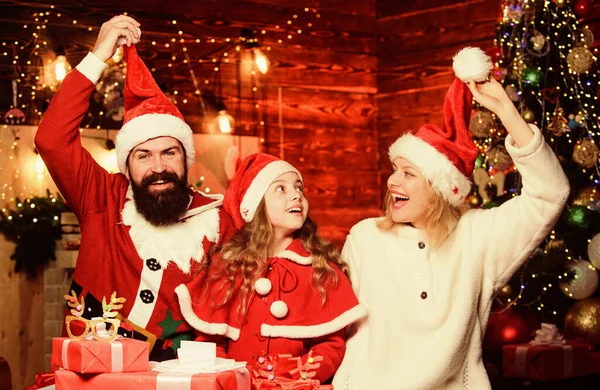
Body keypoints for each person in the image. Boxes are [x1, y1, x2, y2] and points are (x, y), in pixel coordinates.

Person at [332, 47, 570, 389]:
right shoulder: (365, 238)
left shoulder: (478, 238)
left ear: (440, 189)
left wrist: (506, 111)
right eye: (394, 170)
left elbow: (550, 193)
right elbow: (333, 322)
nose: (392, 181)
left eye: (409, 174)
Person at [35, 15, 236, 361]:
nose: (158, 168)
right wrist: (99, 55)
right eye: (143, 155)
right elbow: (52, 140)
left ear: (185, 158)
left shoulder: (220, 221)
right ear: (126, 165)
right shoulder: (101, 197)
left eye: (169, 153)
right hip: (92, 375)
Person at [176, 153, 367, 383]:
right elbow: (211, 343)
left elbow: (330, 346)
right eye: (281, 189)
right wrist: (230, 381)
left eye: (299, 188)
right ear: (255, 204)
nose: (296, 194)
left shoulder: (319, 270)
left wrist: (296, 378)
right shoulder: (230, 269)